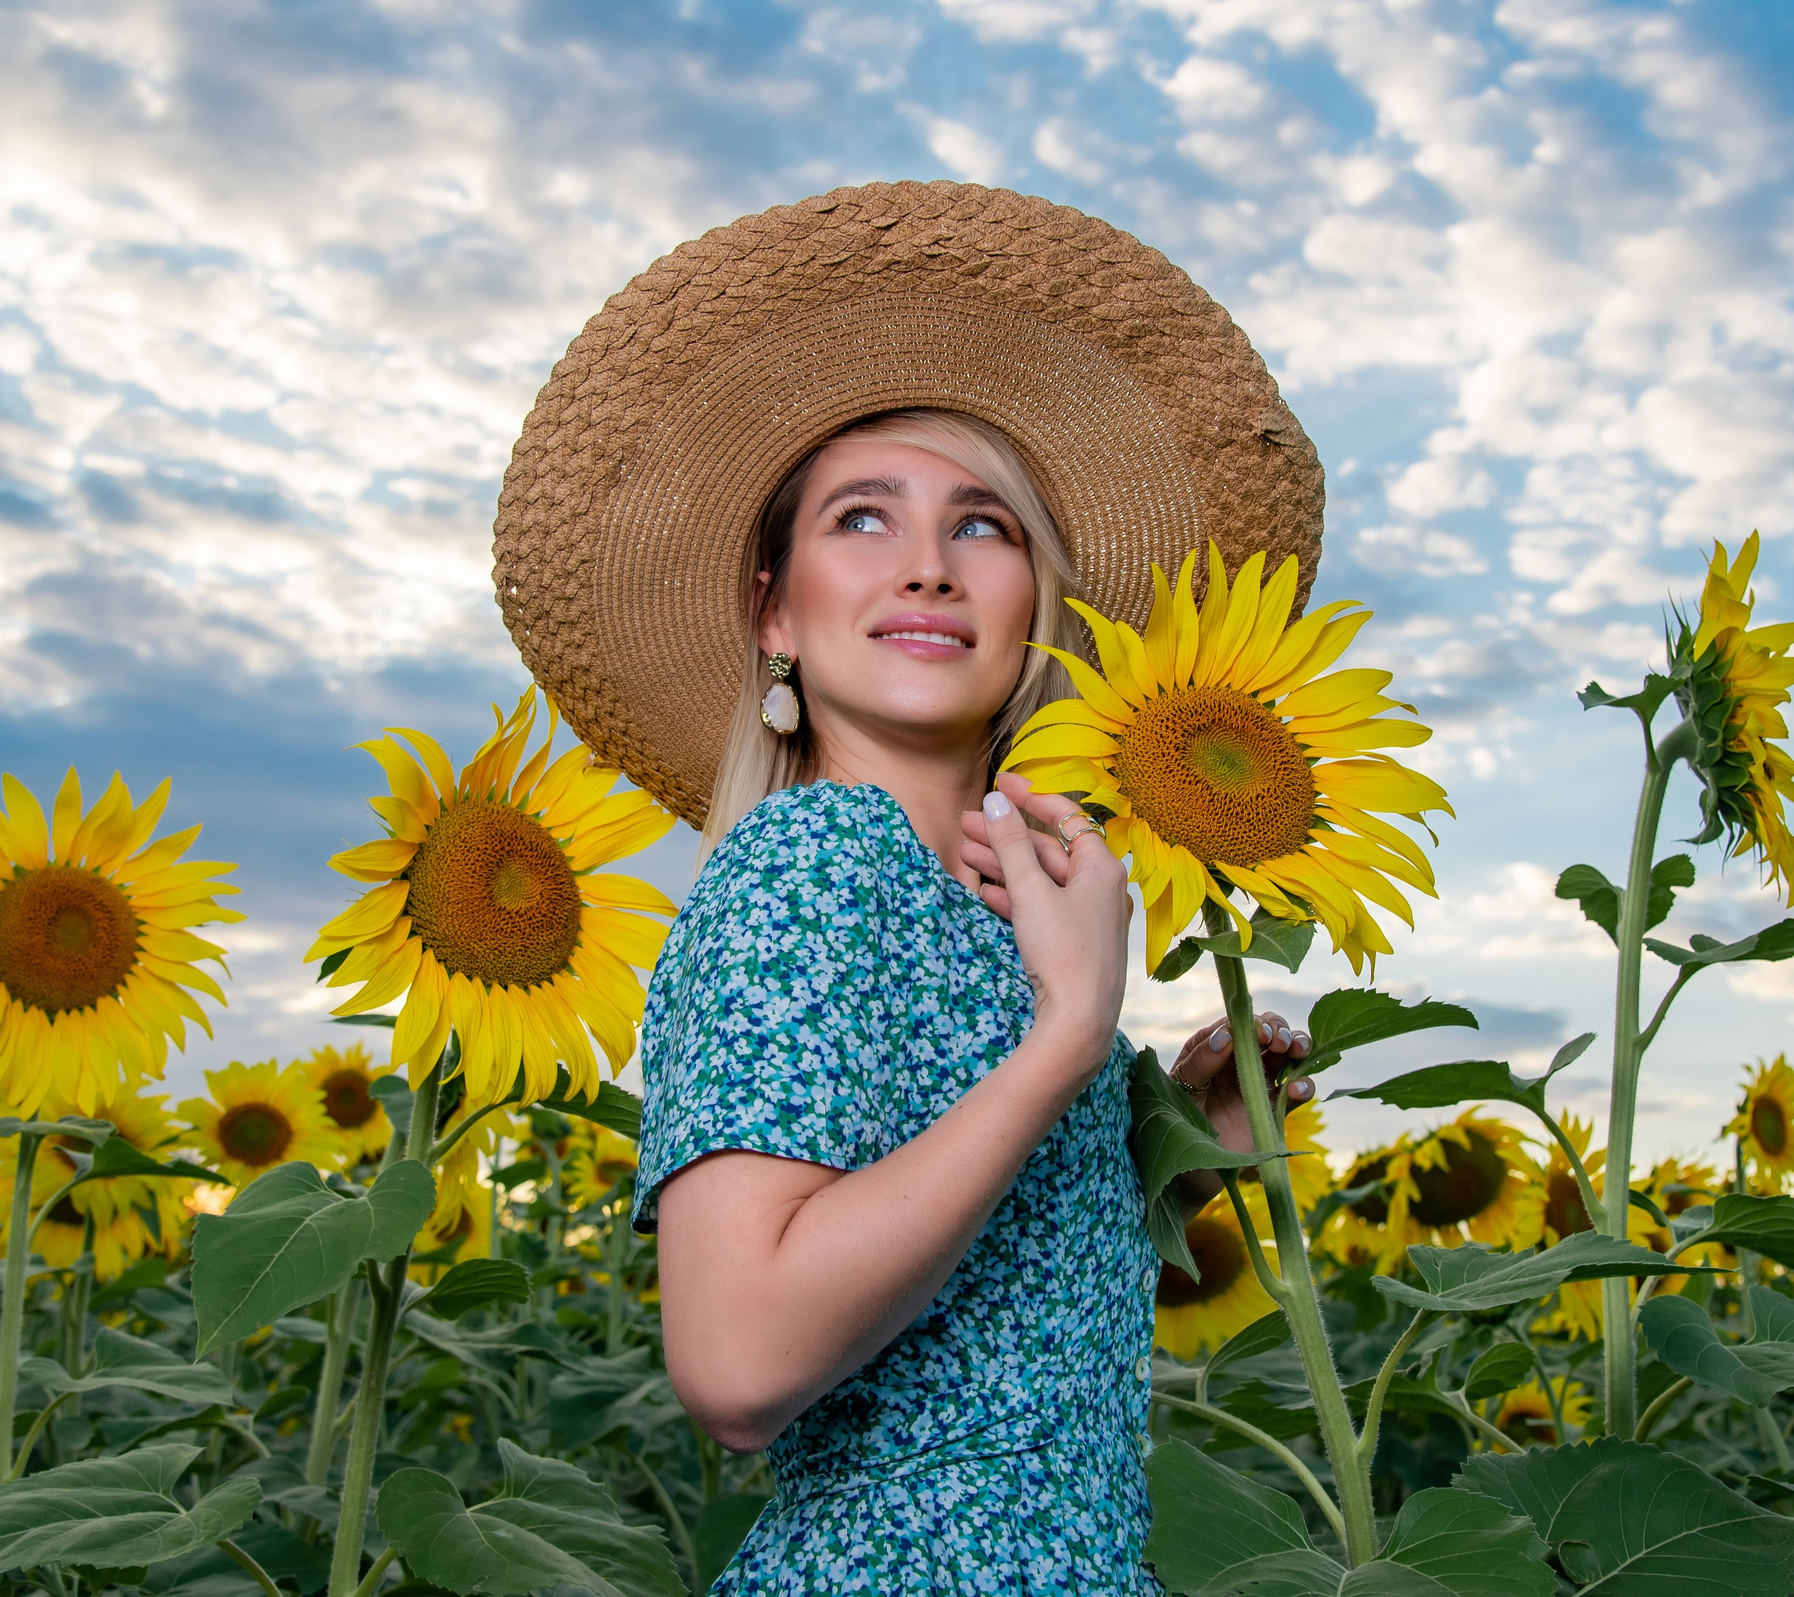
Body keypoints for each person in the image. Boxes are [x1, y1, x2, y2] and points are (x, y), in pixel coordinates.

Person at [493, 182, 1329, 1593]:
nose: (930, 563)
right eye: (863, 519)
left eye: (986, 526)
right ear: (775, 608)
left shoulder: (985, 907)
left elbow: (984, 1341)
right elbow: (742, 1359)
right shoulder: (811, 864)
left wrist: (1167, 1162)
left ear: (1039, 610)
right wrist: (1070, 1037)